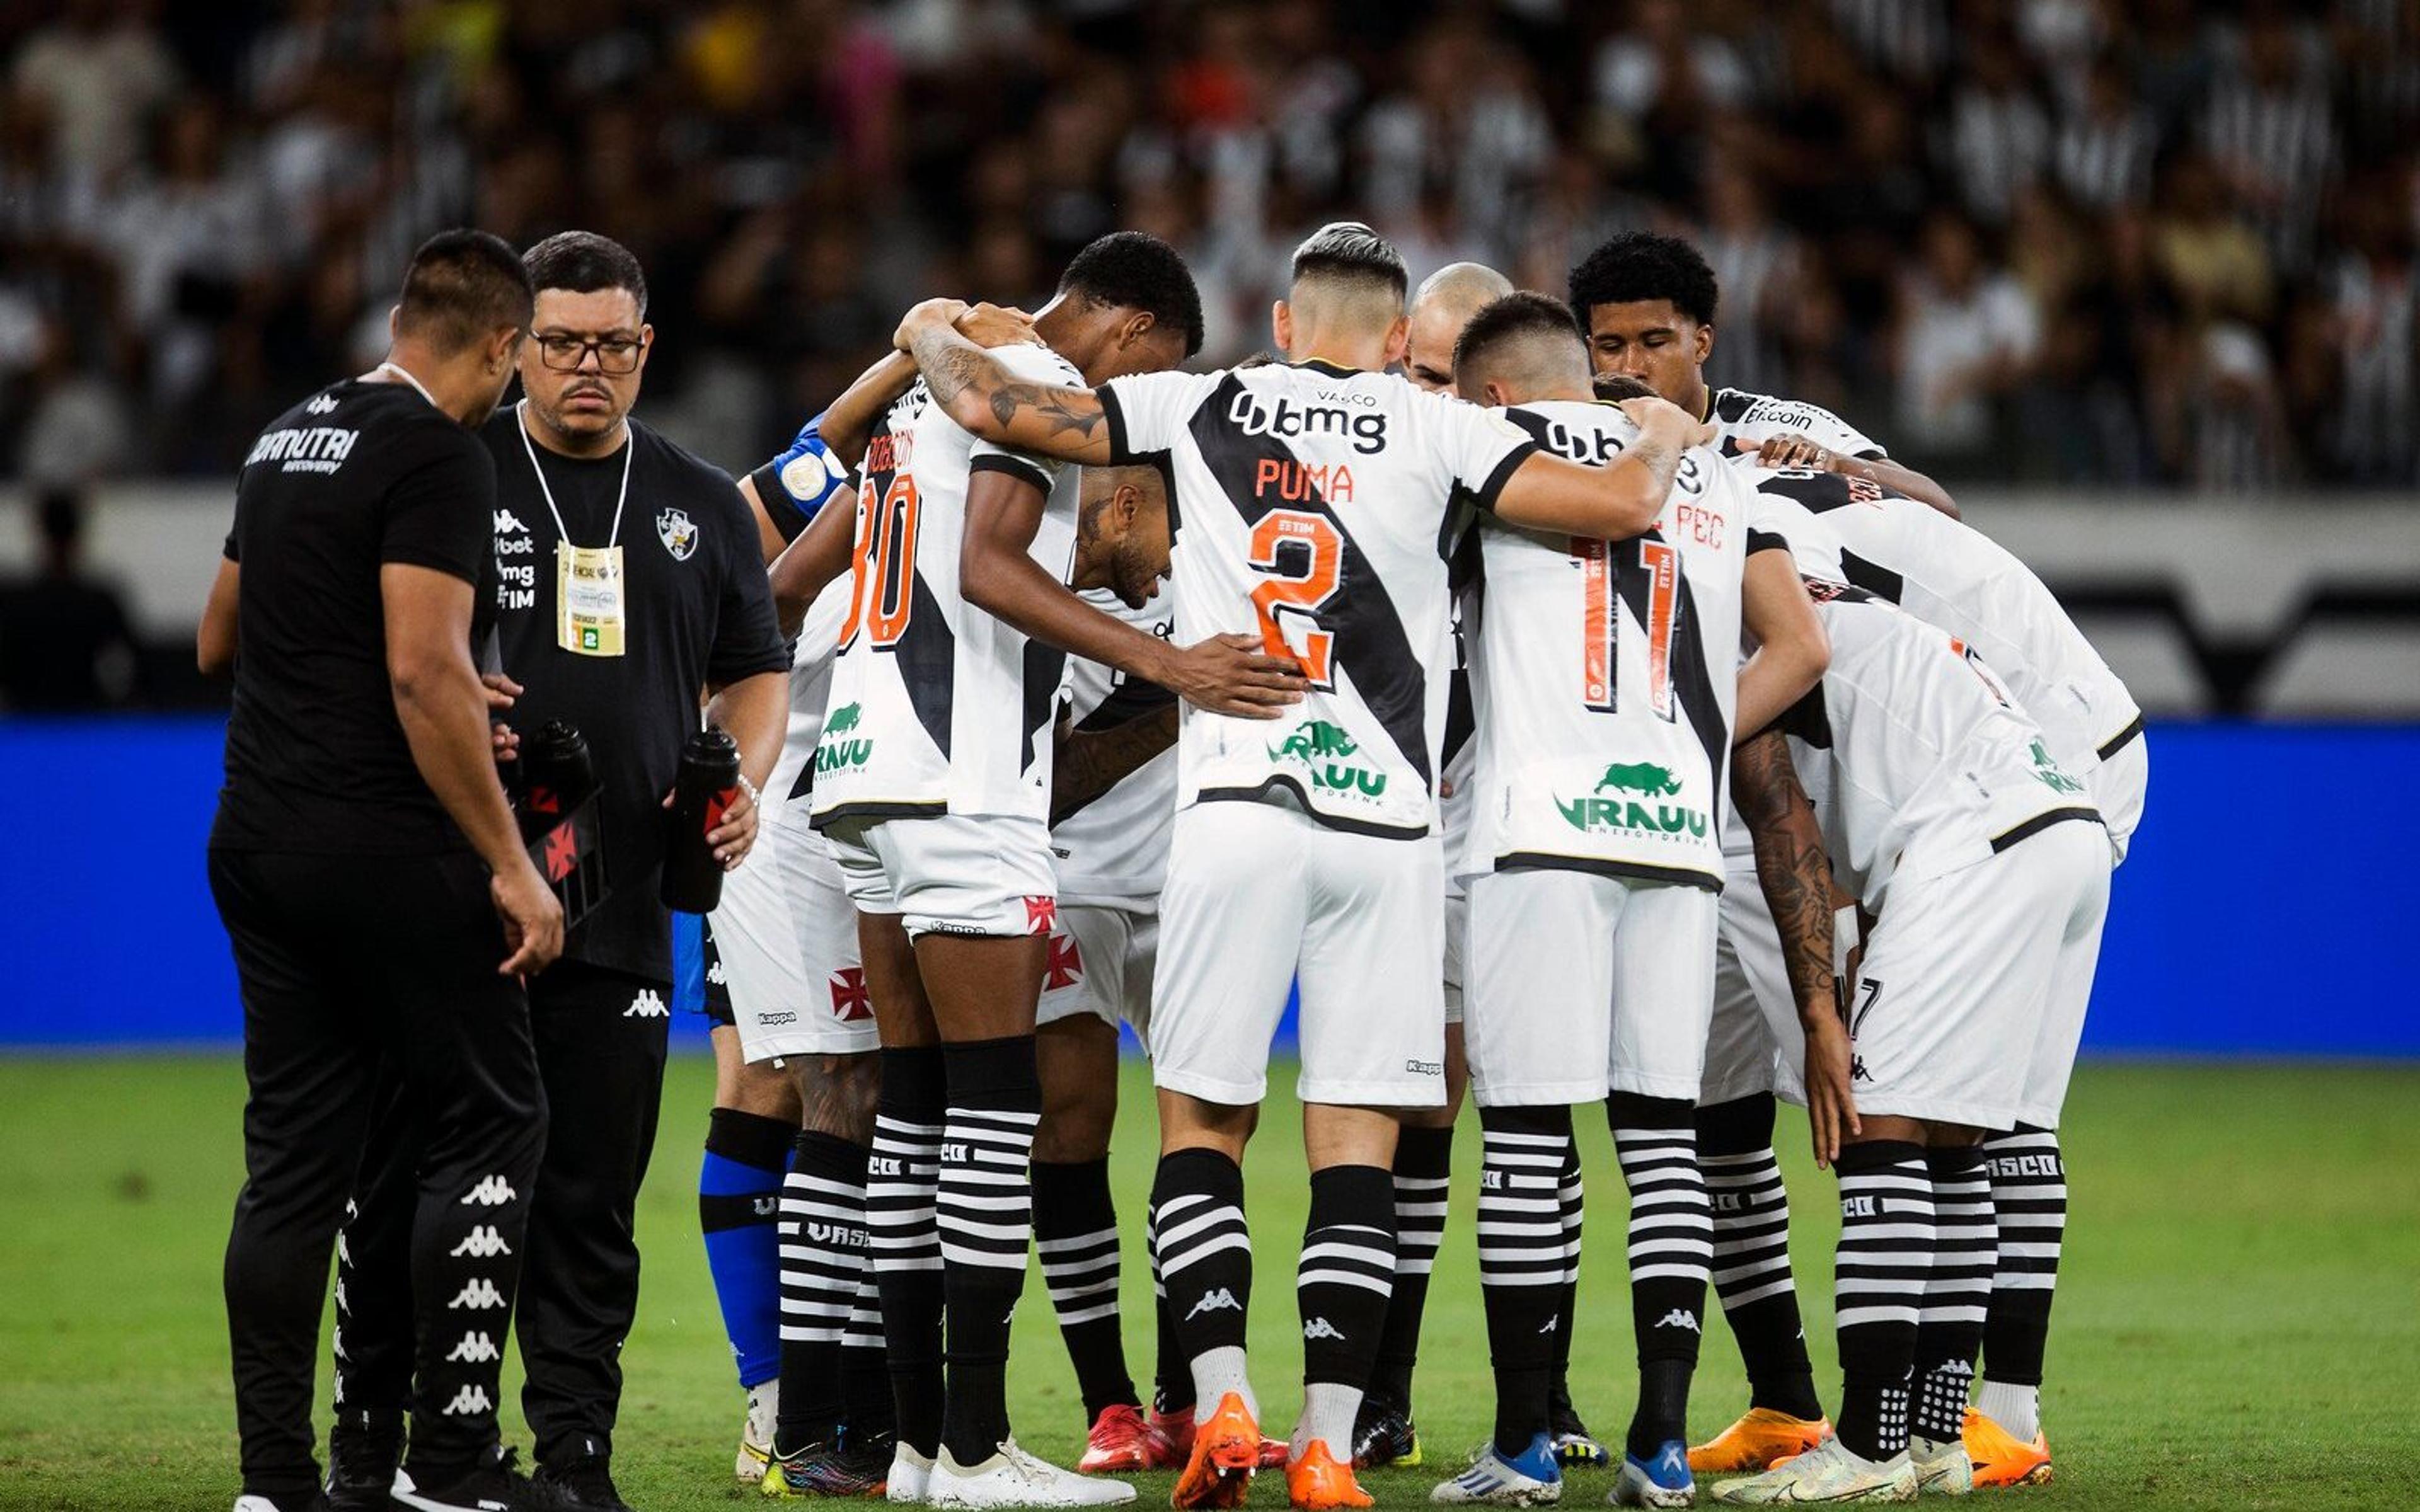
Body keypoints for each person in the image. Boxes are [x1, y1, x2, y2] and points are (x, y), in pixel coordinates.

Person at [890, 220, 1716, 1511]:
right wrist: (1661, 430)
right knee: (1356, 1138)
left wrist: (932, 328)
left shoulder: (1196, 399)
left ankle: (1220, 1404)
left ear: (1281, 326)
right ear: (1400, 344)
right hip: (1385, 828)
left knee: (1203, 1121)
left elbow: (997, 405)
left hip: (1236, 809)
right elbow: (1620, 503)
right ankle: (1328, 1438)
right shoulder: (1438, 427)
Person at [769, 230, 1288, 1508]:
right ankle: (978, 1446)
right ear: (1123, 329)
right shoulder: (1026, 380)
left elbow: (782, 583)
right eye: (1149, 369)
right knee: (995, 1118)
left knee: (916, 1114)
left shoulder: (920, 403)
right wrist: (1168, 664)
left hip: (862, 775)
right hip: (965, 784)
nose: (1122, 415)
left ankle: (910, 1448)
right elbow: (986, 567)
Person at [324, 231, 791, 1512]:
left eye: (618, 345)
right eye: (565, 341)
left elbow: (757, 666)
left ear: (650, 349)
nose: (592, 367)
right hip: (457, 892)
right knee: (425, 1178)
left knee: (590, 1196)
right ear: (515, 343)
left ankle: (575, 1458)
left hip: (628, 900)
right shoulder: (448, 471)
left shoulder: (699, 500)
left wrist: (737, 782)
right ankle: (397, 1448)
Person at [1431, 296, 1828, 1510]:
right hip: (1676, 842)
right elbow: (1801, 647)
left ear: (1494, 395)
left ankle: (1523, 1444)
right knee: (1662, 1142)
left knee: (1529, 1145)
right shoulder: (1713, 476)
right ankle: (1661, 1443)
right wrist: (1699, 746)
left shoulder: (1493, 465)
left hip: (1541, 836)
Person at [203, 228, 562, 1512]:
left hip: (257, 837)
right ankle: (450, 1466)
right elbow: (419, 670)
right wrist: (514, 868)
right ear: (503, 344)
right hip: (384, 845)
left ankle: (274, 1483)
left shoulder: (285, 435)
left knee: (295, 1159)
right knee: (494, 1113)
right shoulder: (433, 454)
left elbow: (215, 639)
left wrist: (415, 681)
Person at [1695, 466, 2145, 1487]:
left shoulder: (1729, 635)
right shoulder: (1835, 602)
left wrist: (1821, 1016)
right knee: (1952, 1142)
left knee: (1881, 1132)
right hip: (2058, 827)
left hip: (1973, 839)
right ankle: (1939, 1436)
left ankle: (1861, 1447)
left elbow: (1785, 833)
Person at [1350, 258, 1564, 1477]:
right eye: (1409, 371)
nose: (1421, 398)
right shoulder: (1380, 465)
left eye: (1442, 379)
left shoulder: (1545, 469)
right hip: (1409, 821)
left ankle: (1548, 1397)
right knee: (1414, 1104)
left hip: (1517, 818)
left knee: (1535, 1100)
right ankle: (1384, 1391)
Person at [1567, 232, 1962, 519]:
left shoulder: (1774, 424)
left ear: (1702, 344)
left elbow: (1941, 506)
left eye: (1655, 343)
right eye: (1611, 347)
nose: (1632, 366)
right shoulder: (1571, 436)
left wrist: (1837, 464)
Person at [0, 486, 138, 709]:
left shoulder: (14, 602)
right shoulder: (99, 602)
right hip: (85, 725)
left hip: (24, 725)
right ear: (78, 533)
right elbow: (137, 672)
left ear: (40, 532)